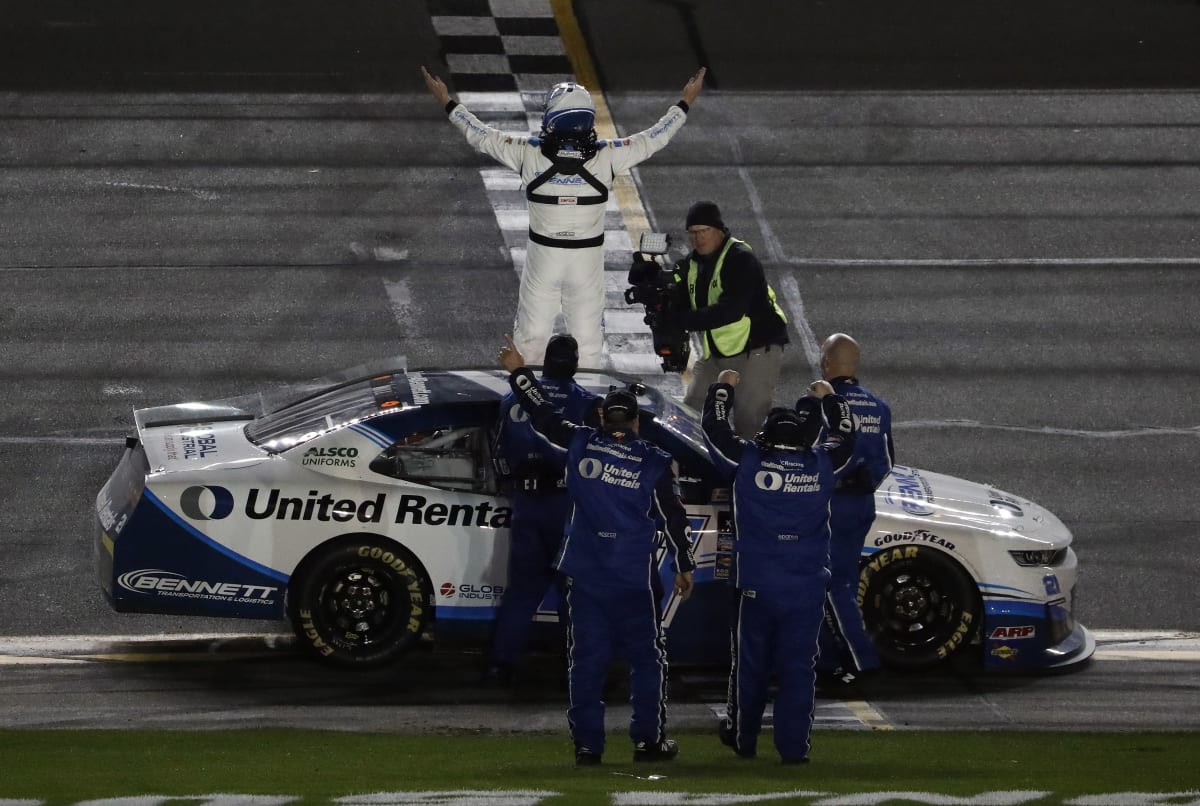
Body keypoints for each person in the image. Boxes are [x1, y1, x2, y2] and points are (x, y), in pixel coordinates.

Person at [423, 65, 707, 370]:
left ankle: (523, 404)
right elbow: (654, 138)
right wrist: (684, 102)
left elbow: (479, 135)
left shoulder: (527, 153)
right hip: (586, 263)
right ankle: (585, 409)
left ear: (552, 120)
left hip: (543, 259)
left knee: (530, 342)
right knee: (587, 347)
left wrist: (447, 101)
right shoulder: (608, 155)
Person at [499, 334, 696, 766]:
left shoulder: (583, 443)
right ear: (637, 422)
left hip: (586, 576)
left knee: (586, 662)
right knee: (647, 660)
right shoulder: (655, 462)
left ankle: (588, 746)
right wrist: (684, 564)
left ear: (605, 416)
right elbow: (674, 517)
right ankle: (648, 741)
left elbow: (543, 415)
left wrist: (519, 371)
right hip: (632, 580)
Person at [702, 368, 856, 764]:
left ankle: (743, 739)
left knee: (750, 667)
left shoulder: (749, 459)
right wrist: (830, 398)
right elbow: (848, 436)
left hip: (756, 584)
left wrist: (723, 387)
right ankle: (793, 750)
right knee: (798, 671)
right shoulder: (822, 464)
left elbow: (714, 430)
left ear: (765, 437)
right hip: (805, 587)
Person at [484, 333, 600, 686]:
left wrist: (514, 484)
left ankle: (500, 667)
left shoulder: (510, 400)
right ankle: (577, 669)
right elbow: (594, 460)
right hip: (567, 506)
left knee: (521, 592)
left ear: (545, 363)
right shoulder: (587, 403)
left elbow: (498, 451)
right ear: (576, 365)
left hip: (527, 504)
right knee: (574, 591)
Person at [670, 200, 790, 440]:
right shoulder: (692, 265)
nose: (697, 238)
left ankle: (748, 475)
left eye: (703, 231)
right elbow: (680, 302)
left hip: (756, 349)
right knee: (690, 416)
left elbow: (731, 310)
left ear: (719, 230)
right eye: (692, 233)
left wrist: (683, 320)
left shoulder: (740, 259)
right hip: (718, 352)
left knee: (748, 424)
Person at [815, 333, 895, 685]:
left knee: (831, 585)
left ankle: (859, 661)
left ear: (827, 363)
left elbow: (813, 459)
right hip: (863, 504)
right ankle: (833, 657)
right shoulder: (879, 406)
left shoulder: (824, 404)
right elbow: (888, 463)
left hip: (831, 507)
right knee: (844, 582)